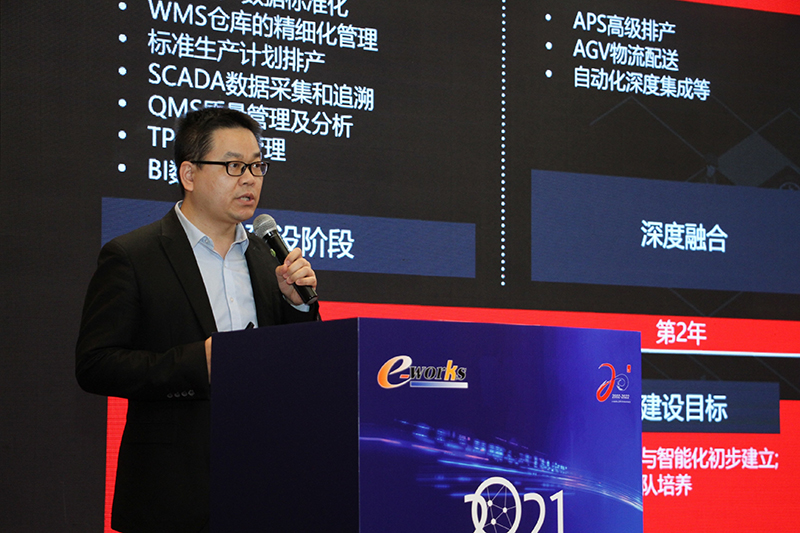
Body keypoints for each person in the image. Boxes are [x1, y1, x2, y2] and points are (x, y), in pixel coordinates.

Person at [76, 107, 319, 533]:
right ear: (189, 174)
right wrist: (198, 363)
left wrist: (299, 307)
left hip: (264, 485)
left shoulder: (270, 260)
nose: (250, 179)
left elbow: (301, 370)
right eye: (233, 166)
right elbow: (96, 364)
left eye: (257, 166)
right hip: (172, 494)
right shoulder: (133, 256)